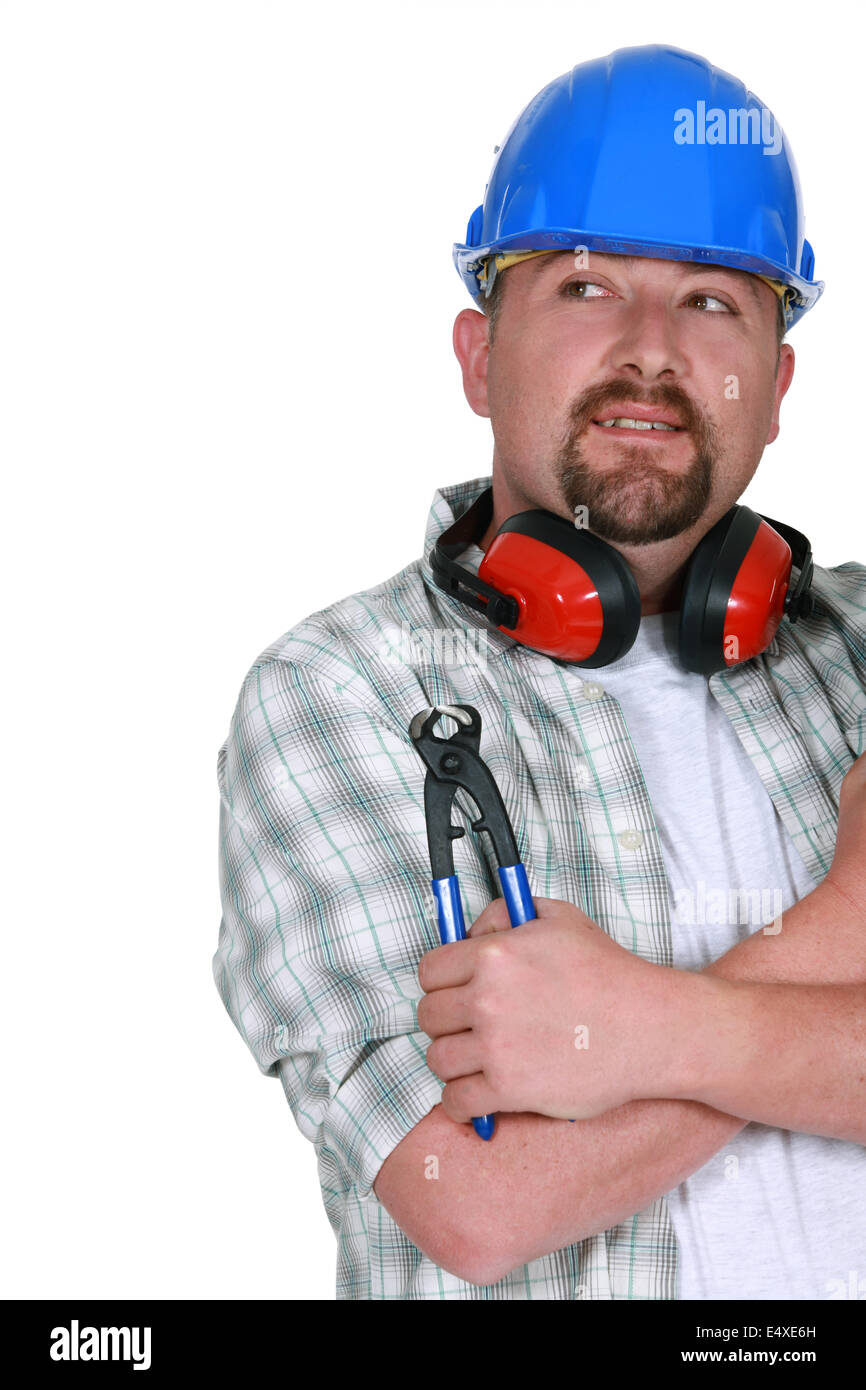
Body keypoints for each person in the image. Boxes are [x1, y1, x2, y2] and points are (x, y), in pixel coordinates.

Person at [212, 44, 866, 1300]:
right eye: (580, 286)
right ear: (475, 354)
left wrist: (641, 1028)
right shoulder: (336, 694)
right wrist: (843, 926)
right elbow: (480, 1201)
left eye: (714, 299)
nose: (647, 348)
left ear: (777, 384)